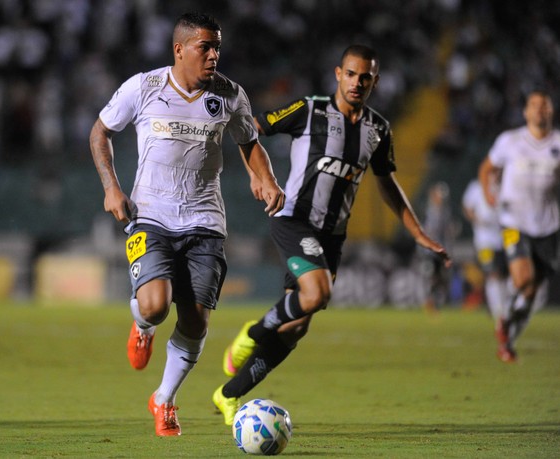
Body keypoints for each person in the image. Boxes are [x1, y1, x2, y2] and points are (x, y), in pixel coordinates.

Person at [211, 44, 451, 425]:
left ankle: (228, 394)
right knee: (317, 294)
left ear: (375, 81)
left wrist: (418, 231)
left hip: (332, 237)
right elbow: (250, 129)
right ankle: (253, 331)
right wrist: (260, 177)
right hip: (294, 219)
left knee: (297, 326)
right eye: (351, 74)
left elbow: (387, 184)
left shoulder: (377, 129)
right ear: (339, 73)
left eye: (366, 77)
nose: (358, 82)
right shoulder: (309, 110)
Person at [89, 13, 284, 436]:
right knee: (156, 306)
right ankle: (142, 326)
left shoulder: (230, 95)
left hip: (206, 221)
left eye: (217, 47)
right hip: (151, 217)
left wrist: (265, 179)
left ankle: (164, 400)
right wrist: (111, 188)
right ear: (179, 49)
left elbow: (249, 144)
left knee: (196, 321)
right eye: (205, 47)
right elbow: (100, 132)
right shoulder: (144, 87)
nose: (214, 55)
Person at [478, 90, 560, 363]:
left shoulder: (558, 142)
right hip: (514, 222)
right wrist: (489, 194)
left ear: (551, 112)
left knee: (532, 290)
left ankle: (508, 339)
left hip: (548, 227)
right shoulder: (510, 141)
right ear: (526, 112)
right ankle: (504, 318)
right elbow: (486, 168)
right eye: (534, 105)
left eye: (544, 106)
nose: (539, 110)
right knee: (523, 279)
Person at [461, 176, 510, 323]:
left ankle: (504, 308)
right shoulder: (476, 186)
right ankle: (497, 310)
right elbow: (467, 208)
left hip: (503, 239)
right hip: (484, 240)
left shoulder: (505, 185)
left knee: (503, 275)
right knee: (492, 273)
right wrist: (478, 219)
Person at [420, 181, 457, 312]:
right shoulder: (429, 211)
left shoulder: (444, 212)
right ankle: (429, 301)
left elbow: (447, 232)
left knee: (441, 277)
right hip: (430, 250)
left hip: (440, 249)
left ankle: (435, 301)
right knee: (431, 276)